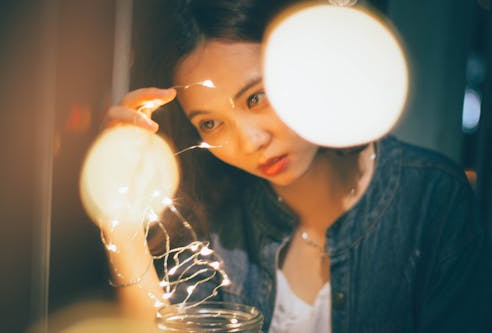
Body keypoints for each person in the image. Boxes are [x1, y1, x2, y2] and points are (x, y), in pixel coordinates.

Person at [98, 0, 490, 332]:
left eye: (257, 97)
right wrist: (122, 225)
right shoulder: (215, 215)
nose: (251, 141)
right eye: (211, 123)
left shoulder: (430, 197)